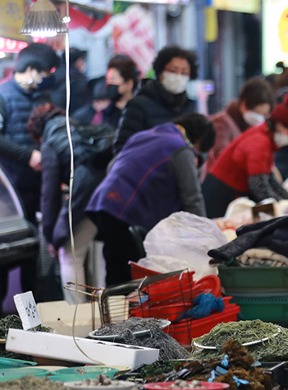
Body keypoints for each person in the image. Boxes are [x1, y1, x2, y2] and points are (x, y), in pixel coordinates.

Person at [87, 113, 215, 285]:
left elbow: (112, 166)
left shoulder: (146, 135)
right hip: (125, 212)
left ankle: (113, 308)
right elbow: (192, 198)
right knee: (128, 273)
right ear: (198, 141)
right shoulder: (181, 148)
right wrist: (205, 236)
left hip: (103, 202)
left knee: (115, 266)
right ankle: (125, 310)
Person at [28, 103, 111, 302]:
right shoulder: (78, 128)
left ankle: (78, 317)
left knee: (69, 254)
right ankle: (105, 312)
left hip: (86, 191)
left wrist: (51, 238)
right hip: (109, 187)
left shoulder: (51, 141)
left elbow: (49, 197)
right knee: (98, 253)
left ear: (38, 133)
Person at [0, 42, 59, 305]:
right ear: (32, 70)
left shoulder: (43, 99)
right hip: (10, 194)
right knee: (6, 256)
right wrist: (29, 156)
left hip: (41, 188)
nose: (47, 79)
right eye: (46, 73)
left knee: (34, 258)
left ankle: (32, 322)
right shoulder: (3, 96)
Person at [202, 93, 288, 218]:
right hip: (219, 197)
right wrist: (286, 208)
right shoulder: (259, 142)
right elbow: (259, 187)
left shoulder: (266, 137)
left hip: (228, 194)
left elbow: (270, 180)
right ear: (280, 125)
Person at [113, 46, 197, 154]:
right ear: (160, 73)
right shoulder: (138, 105)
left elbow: (199, 146)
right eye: (173, 70)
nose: (178, 76)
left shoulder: (189, 107)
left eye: (184, 73)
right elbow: (123, 148)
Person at [205, 77, 274, 170]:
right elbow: (221, 157)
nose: (260, 119)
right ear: (243, 104)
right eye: (257, 113)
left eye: (264, 115)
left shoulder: (256, 129)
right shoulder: (222, 123)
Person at [51, 47, 90, 114]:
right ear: (78, 62)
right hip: (70, 118)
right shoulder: (77, 79)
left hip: (54, 115)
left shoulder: (55, 74)